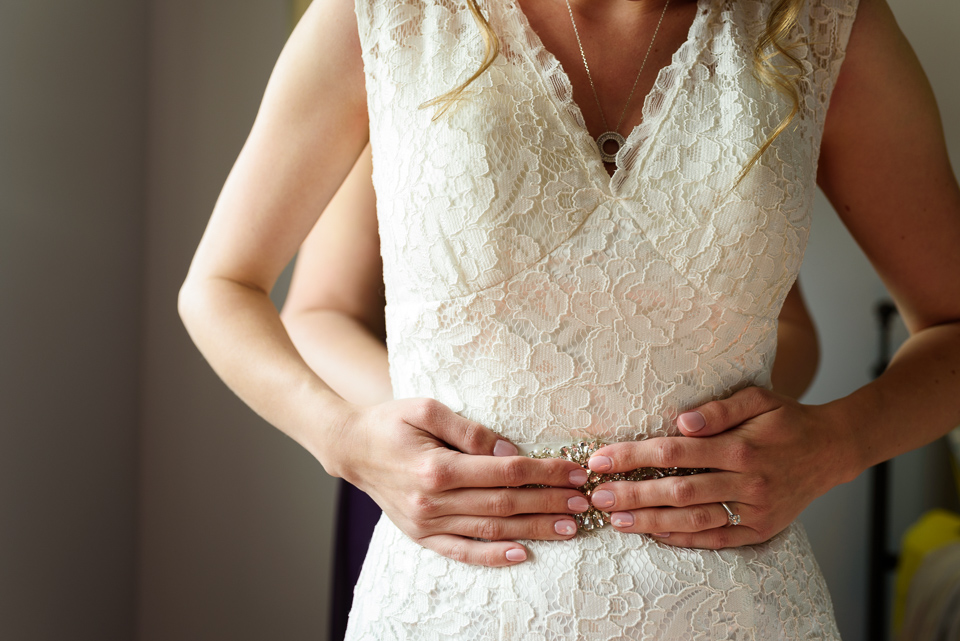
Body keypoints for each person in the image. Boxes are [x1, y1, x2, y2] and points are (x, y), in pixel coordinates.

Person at [178, 0, 960, 637]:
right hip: (451, 603)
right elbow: (220, 284)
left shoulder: (817, 24)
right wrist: (344, 438)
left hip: (737, 609)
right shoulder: (384, 16)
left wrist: (838, 442)